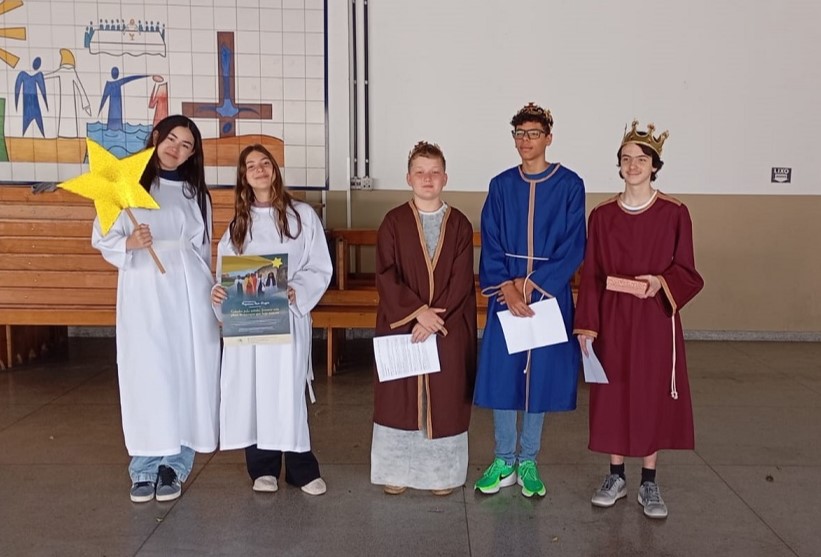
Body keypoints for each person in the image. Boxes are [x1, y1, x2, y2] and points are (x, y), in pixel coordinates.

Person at [574, 120, 704, 519]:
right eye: (627, 158)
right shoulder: (602, 215)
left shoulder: (674, 213)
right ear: (619, 164)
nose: (633, 165)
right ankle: (616, 476)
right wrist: (587, 325)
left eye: (642, 159)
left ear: (654, 166)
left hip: (652, 316)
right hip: (612, 316)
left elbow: (688, 271)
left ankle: (649, 480)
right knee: (612, 392)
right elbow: (592, 273)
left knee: (650, 392)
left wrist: (660, 282)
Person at [91, 114, 220, 503]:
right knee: (148, 371)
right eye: (172, 140)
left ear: (193, 154)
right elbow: (103, 236)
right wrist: (128, 243)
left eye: (186, 145)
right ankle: (144, 466)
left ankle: (175, 464)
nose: (176, 149)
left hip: (188, 290)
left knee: (187, 370)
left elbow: (202, 249)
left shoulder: (196, 194)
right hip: (144, 289)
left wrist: (211, 296)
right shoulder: (126, 187)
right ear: (156, 137)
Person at [473, 102, 586, 498]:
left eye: (533, 134)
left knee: (540, 376)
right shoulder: (501, 185)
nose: (526, 140)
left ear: (548, 138)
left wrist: (534, 284)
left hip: (547, 294)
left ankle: (529, 461)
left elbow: (574, 244)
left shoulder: (570, 184)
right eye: (520, 134)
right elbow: (491, 240)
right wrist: (506, 286)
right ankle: (504, 459)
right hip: (507, 292)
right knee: (504, 374)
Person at [211, 144, 332, 496]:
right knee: (254, 391)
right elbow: (224, 274)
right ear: (244, 177)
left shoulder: (301, 216)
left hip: (287, 317)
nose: (260, 169)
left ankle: (300, 469)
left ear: (275, 170)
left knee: (286, 390)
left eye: (265, 163)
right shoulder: (238, 224)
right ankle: (262, 468)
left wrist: (297, 289)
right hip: (250, 323)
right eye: (251, 166)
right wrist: (219, 295)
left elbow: (319, 265)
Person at [371, 141, 476, 496]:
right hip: (403, 325)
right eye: (420, 172)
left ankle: (441, 475)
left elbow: (461, 281)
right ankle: (396, 471)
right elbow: (385, 274)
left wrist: (433, 319)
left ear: (445, 177)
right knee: (399, 400)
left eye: (434, 172)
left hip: (447, 327)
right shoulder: (393, 222)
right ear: (409, 178)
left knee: (445, 400)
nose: (427, 179)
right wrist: (417, 313)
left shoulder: (459, 224)